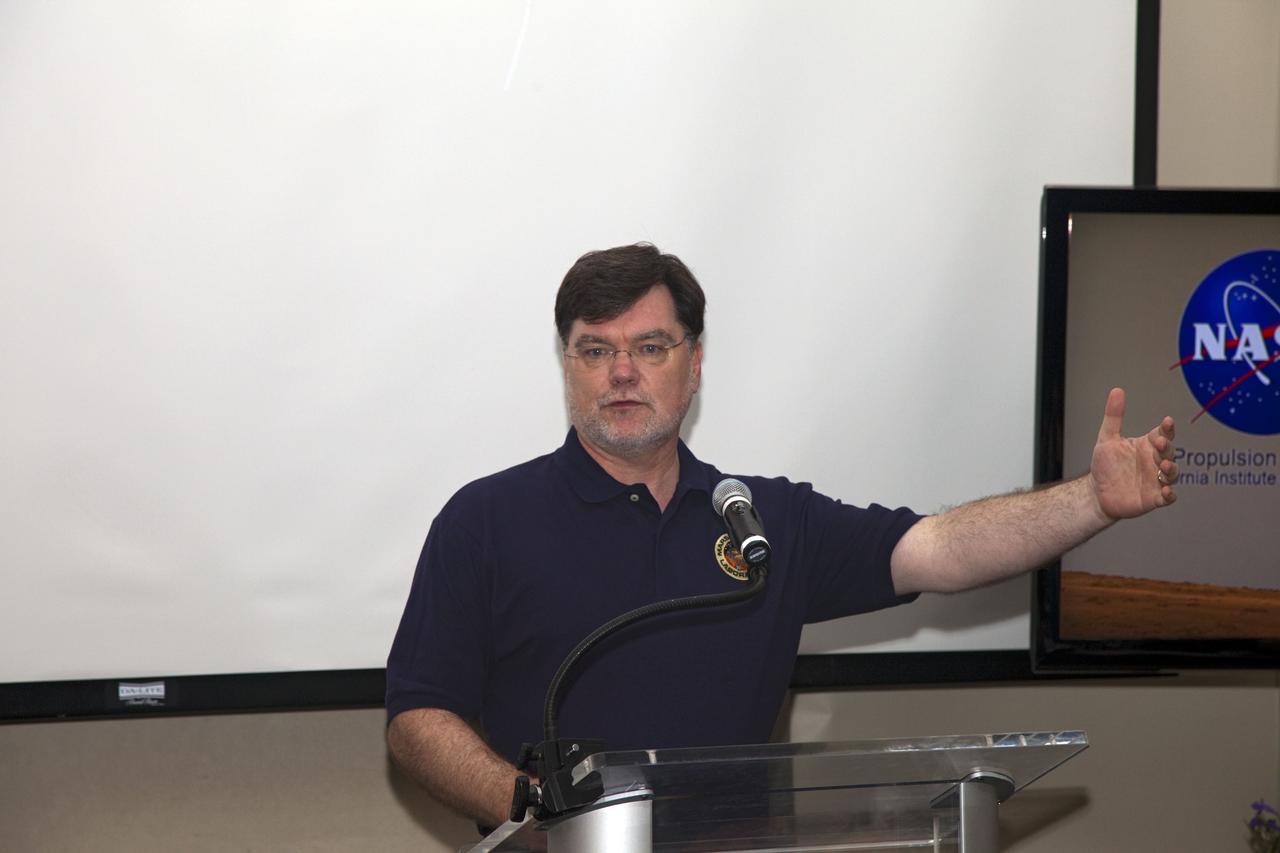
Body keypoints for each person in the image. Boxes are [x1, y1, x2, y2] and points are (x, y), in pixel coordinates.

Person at [384, 243, 1179, 828]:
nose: (621, 372)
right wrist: (529, 812)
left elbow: (941, 549)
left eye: (650, 347)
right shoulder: (484, 520)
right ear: (568, 367)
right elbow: (418, 718)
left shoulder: (759, 521)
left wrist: (1091, 501)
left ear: (693, 366)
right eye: (595, 350)